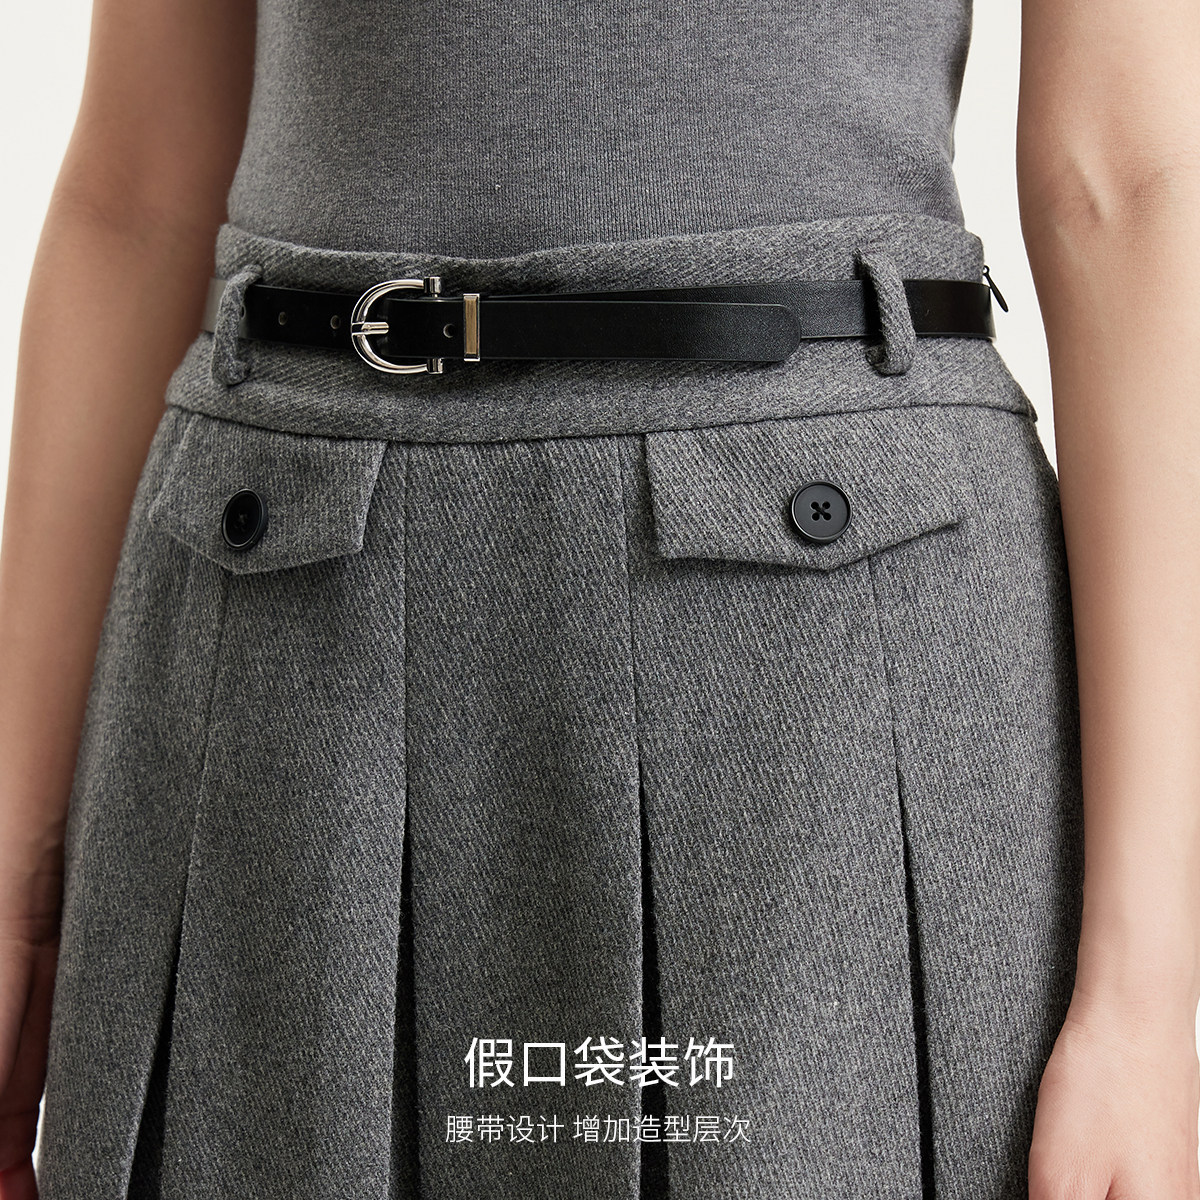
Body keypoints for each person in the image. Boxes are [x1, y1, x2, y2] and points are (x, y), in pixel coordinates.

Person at [1, 0, 1198, 1197]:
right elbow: (137, 193)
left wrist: (1143, 1006)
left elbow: (1128, 183)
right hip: (282, 625)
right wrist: (17, 882)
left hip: (827, 664)